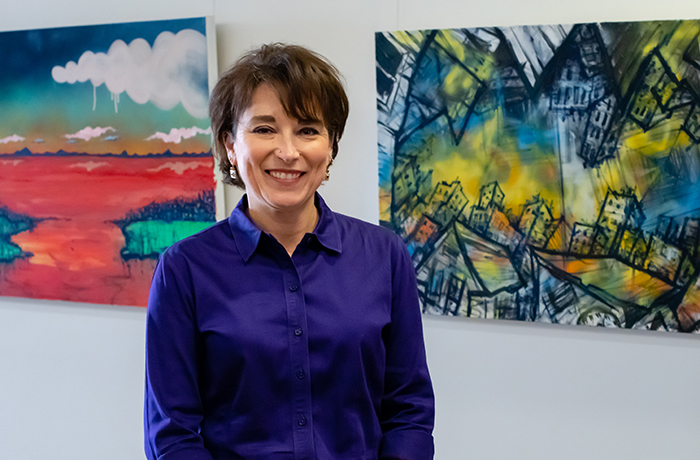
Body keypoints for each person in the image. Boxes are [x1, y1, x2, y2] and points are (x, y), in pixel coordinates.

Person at [144, 43, 434, 460]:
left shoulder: (385, 257)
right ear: (230, 145)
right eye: (264, 129)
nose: (288, 151)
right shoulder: (184, 270)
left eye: (308, 129)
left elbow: (409, 410)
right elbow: (172, 435)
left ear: (330, 146)